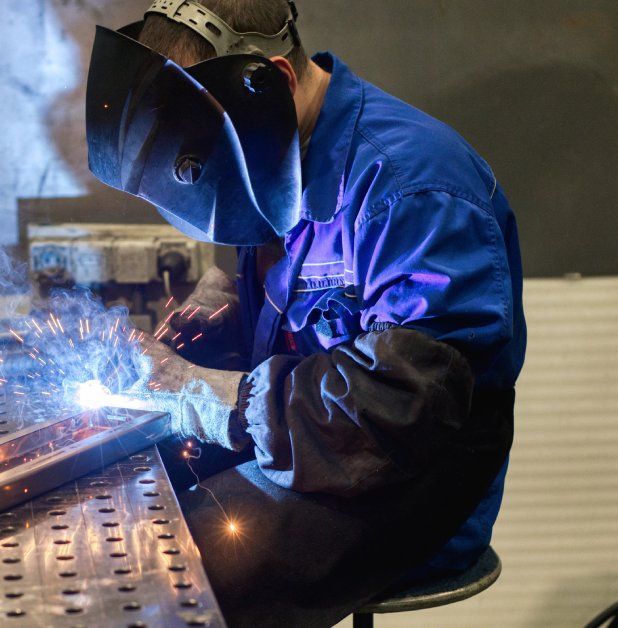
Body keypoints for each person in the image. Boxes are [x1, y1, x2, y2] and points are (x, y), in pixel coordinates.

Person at [85, 1, 526, 625]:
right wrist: (232, 308)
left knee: (170, 572)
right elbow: (318, 307)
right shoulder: (272, 146)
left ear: (274, 82)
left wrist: (206, 394)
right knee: (122, 499)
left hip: (408, 486)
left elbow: (405, 409)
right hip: (313, 450)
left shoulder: (413, 187)